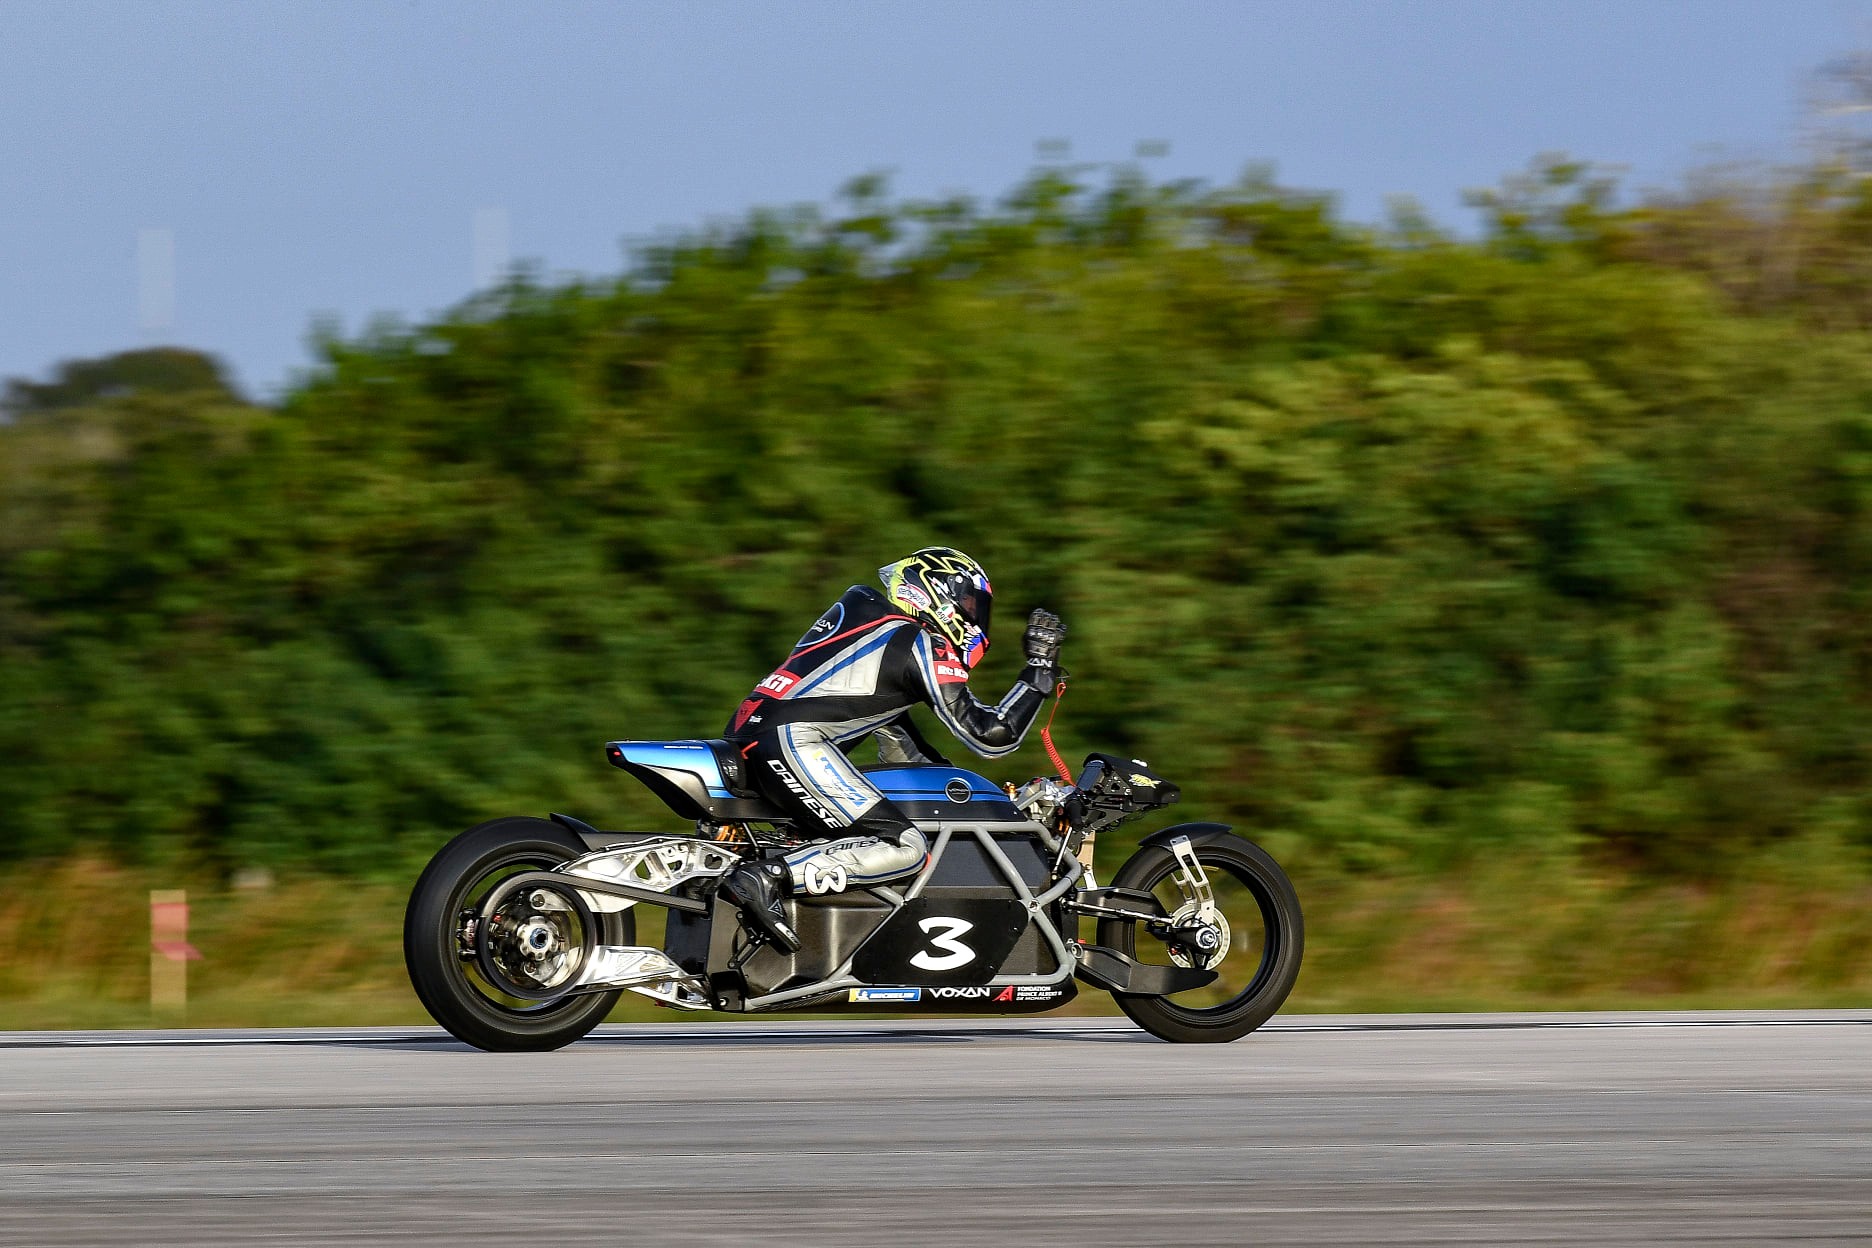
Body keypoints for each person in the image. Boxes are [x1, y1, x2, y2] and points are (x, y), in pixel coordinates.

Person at [716, 547, 1066, 951]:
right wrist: (1038, 673)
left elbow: (905, 750)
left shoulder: (872, 624)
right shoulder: (916, 639)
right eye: (970, 604)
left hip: (757, 736)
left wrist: (961, 797)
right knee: (904, 846)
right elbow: (990, 735)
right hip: (793, 743)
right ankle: (769, 877)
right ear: (937, 592)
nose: (974, 617)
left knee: (857, 833)